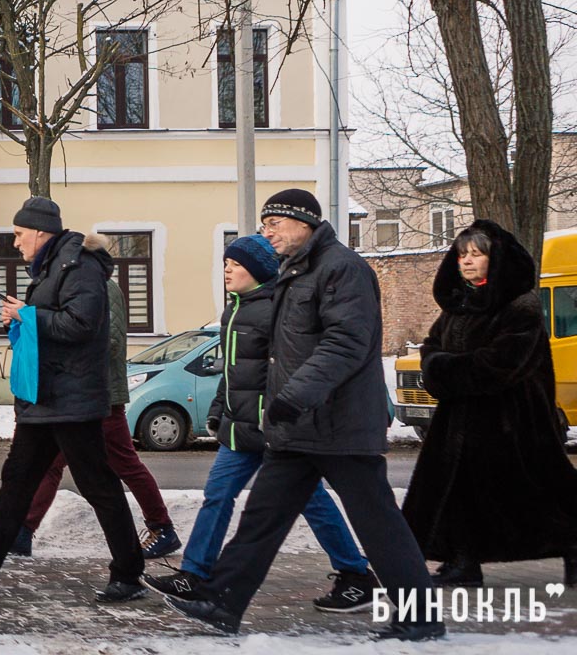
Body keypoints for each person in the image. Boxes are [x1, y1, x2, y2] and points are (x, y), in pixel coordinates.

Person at [162, 188, 443, 640]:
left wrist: (295, 395)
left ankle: (421, 618)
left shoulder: (342, 268)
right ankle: (222, 601)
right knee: (263, 516)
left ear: (304, 223)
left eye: (274, 223)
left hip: (340, 424)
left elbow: (346, 343)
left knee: (378, 523)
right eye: (264, 224)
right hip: (296, 426)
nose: (265, 232)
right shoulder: (295, 271)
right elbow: (283, 352)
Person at [147, 232, 379, 613]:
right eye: (225, 264)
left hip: (273, 429)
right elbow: (232, 371)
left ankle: (356, 573)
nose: (226, 271)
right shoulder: (234, 309)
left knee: (312, 500)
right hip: (239, 430)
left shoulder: (278, 308)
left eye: (234, 265)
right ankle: (195, 574)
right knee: (217, 496)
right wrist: (219, 409)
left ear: (255, 271)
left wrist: (279, 415)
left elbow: (285, 369)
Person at [0, 197, 147, 602]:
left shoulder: (79, 267)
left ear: (39, 231)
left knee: (98, 484)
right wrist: (23, 314)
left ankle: (128, 574)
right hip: (46, 396)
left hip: (72, 399)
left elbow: (82, 324)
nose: (15, 243)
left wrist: (27, 315)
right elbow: (52, 320)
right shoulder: (53, 267)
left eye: (18, 235)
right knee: (17, 478)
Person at [401, 220, 577, 589]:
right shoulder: (458, 304)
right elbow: (432, 347)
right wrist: (437, 365)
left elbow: (500, 364)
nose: (467, 261)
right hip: (459, 417)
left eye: (477, 254)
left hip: (513, 420)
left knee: (539, 492)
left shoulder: (520, 307)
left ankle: (573, 545)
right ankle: (463, 560)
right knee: (457, 490)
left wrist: (443, 368)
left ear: (495, 260)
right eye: (463, 254)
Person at [11, 231, 181, 562]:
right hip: (73, 395)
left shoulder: (104, 288)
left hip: (99, 395)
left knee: (123, 465)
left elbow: (110, 341)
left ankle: (162, 527)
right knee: (48, 463)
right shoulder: (76, 285)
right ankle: (22, 530)